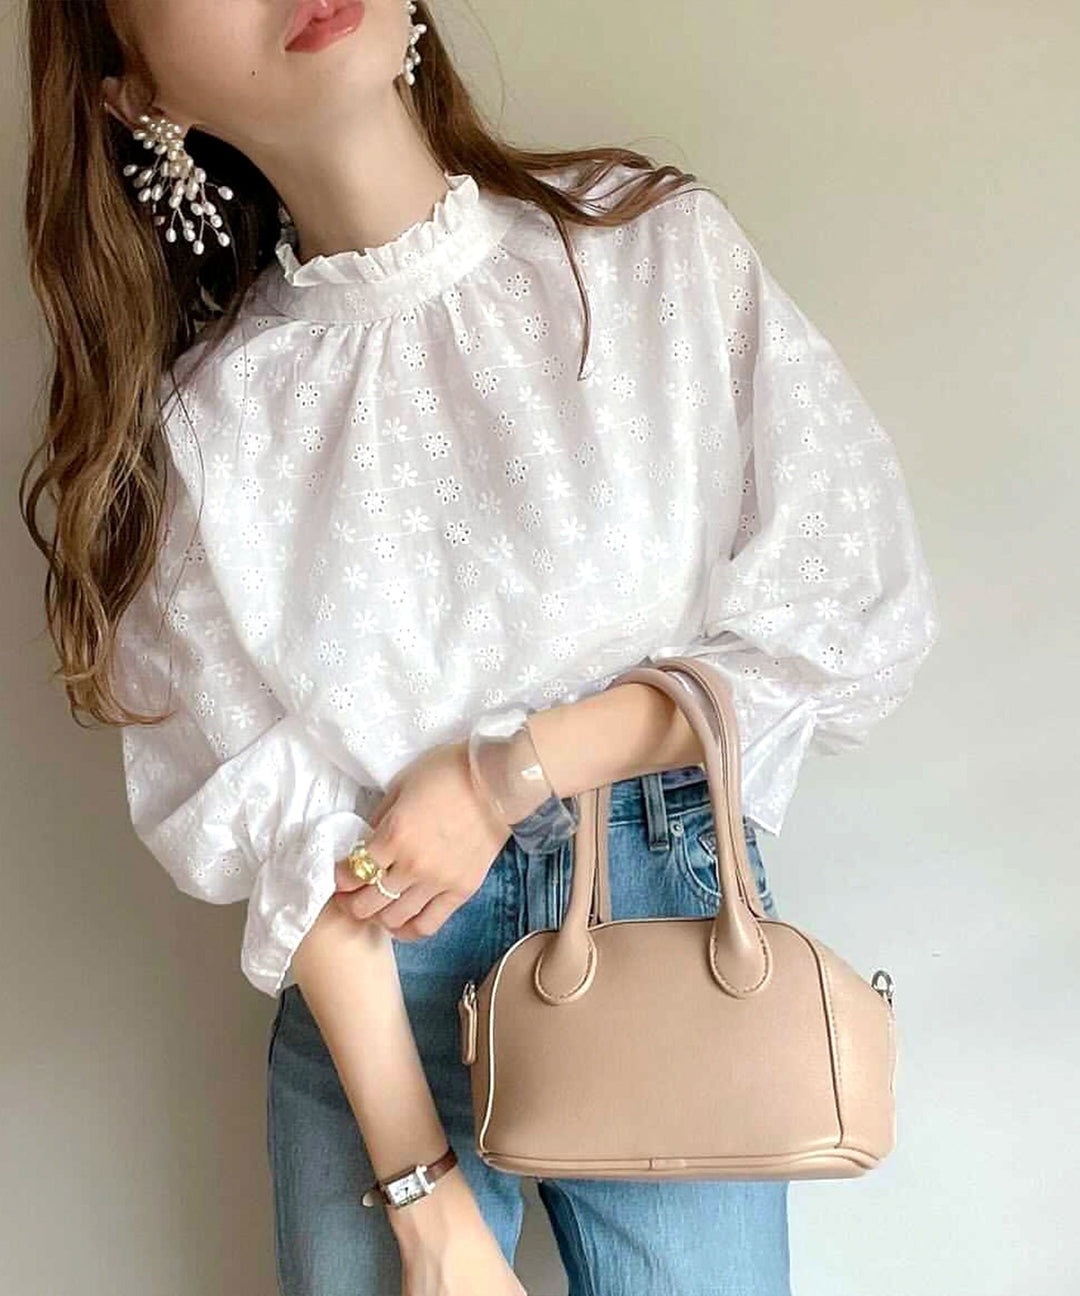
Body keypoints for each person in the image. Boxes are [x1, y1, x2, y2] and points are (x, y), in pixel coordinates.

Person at [19, 2, 940, 1294]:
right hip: (374, 986)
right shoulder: (203, 425)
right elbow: (262, 816)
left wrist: (506, 773)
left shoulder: (648, 251)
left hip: (671, 919)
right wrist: (424, 1201)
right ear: (135, 95)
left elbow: (840, 616)